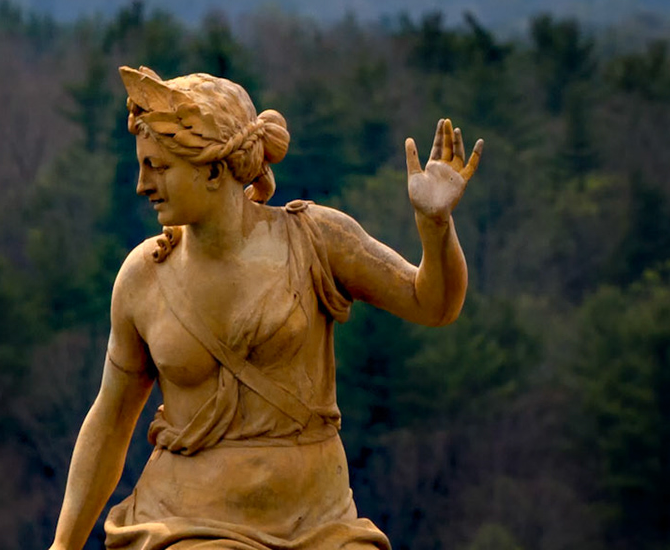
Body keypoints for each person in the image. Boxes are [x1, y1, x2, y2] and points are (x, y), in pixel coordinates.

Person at [47, 65, 484, 550]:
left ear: (214, 171)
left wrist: (435, 225)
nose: (142, 185)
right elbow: (110, 421)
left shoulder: (315, 241)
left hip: (318, 525)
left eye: (159, 167)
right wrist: (64, 545)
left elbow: (433, 305)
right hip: (187, 525)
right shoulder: (144, 276)